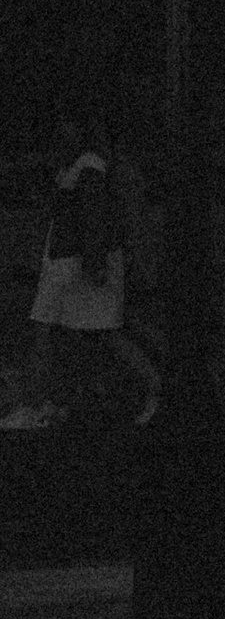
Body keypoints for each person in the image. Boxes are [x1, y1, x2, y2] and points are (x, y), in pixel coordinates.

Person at [3, 111, 159, 434]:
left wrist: (94, 264)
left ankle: (39, 406)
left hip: (73, 265)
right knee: (94, 334)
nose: (61, 133)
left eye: (68, 126)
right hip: (70, 263)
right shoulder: (79, 165)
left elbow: (92, 219)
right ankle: (65, 400)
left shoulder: (88, 166)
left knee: (70, 334)